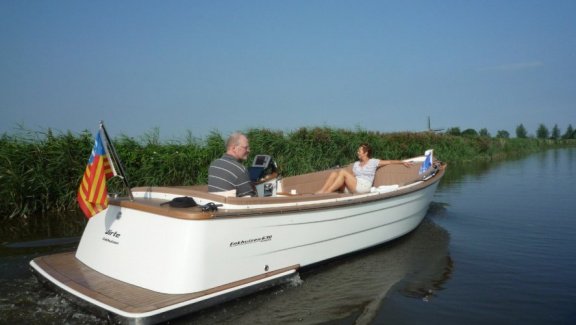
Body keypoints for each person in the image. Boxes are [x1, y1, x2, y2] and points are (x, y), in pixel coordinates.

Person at [316, 143, 412, 194]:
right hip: (355, 185)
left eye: (359, 151)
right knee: (334, 174)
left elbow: (390, 161)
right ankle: (322, 192)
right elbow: (352, 177)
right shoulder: (356, 164)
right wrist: (346, 178)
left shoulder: (373, 162)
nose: (357, 152)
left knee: (342, 172)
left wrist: (403, 162)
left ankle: (327, 193)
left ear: (365, 153)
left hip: (364, 186)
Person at [208, 132, 257, 197]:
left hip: (216, 204)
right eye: (246, 147)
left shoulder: (213, 165)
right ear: (234, 148)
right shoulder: (240, 170)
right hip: (232, 206)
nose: (249, 150)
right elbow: (248, 199)